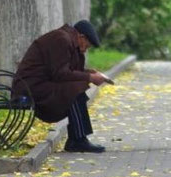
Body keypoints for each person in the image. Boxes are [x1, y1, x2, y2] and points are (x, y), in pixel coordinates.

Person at [11, 20, 109, 153]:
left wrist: (90, 73)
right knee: (74, 89)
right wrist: (90, 77)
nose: (86, 49)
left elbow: (68, 70)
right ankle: (78, 140)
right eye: (87, 45)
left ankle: (77, 139)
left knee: (76, 87)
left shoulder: (69, 41)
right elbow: (60, 74)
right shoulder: (61, 39)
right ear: (81, 37)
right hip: (30, 88)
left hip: (43, 84)